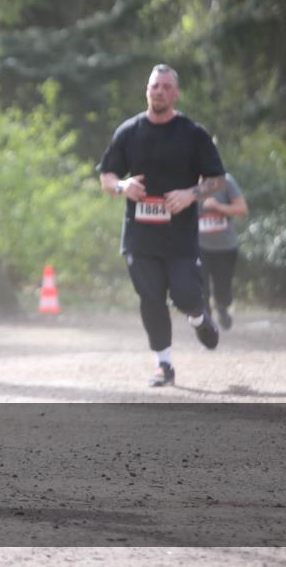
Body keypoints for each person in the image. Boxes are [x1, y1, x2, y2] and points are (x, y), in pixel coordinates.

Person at [97, 64, 227, 387]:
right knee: (151, 298)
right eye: (155, 86)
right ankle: (164, 364)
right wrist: (122, 187)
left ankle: (198, 316)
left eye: (166, 87)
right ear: (147, 90)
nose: (159, 92)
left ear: (176, 93)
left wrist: (191, 194)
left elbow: (217, 179)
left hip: (179, 237)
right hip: (140, 237)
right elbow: (106, 176)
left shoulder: (192, 133)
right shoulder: (129, 132)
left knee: (184, 295)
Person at [198, 173, 249, 330]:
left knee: (223, 291)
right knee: (201, 288)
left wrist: (217, 206)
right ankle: (206, 325)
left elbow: (242, 210)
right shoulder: (188, 181)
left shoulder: (225, 181)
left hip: (225, 247)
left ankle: (222, 307)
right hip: (199, 247)